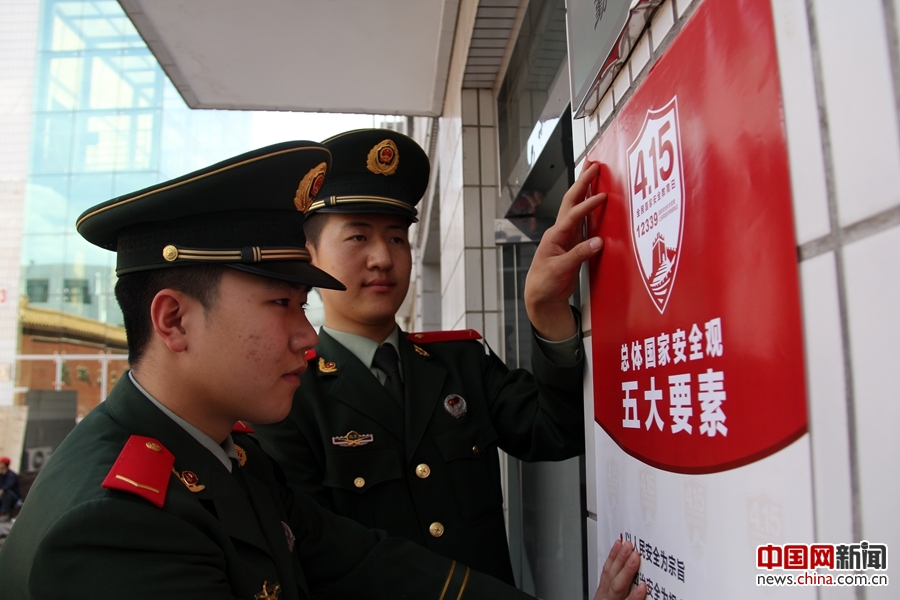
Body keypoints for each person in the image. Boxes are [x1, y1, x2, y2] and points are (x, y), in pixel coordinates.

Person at [0, 140, 644, 600]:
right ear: (173, 321)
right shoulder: (116, 526)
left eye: (396, 237)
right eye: (281, 304)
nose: (307, 336)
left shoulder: (225, 460)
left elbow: (372, 563)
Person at [253, 129, 605, 585]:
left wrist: (548, 312)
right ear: (310, 256)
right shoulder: (287, 397)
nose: (382, 257)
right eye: (358, 237)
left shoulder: (460, 363)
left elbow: (557, 431)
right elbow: (318, 562)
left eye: (397, 238)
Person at [0, 457, 20, 522]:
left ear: (5, 464)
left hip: (13, 497)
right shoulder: (1, 475)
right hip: (2, 496)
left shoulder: (12, 475)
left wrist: (2, 490)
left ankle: (4, 513)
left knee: (6, 493)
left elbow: (8, 485)